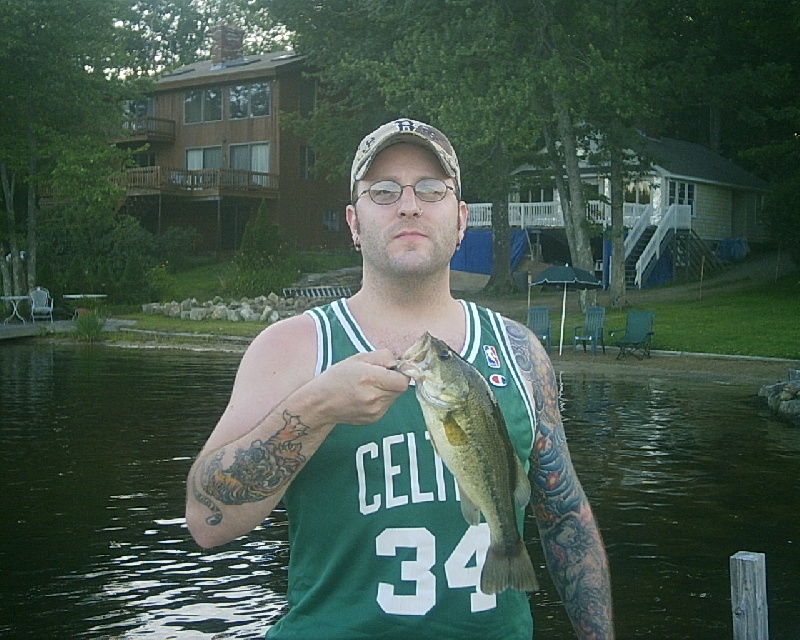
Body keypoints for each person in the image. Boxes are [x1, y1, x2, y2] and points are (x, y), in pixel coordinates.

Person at [185, 117, 614, 639]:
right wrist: (315, 409)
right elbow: (207, 520)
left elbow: (566, 517)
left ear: (460, 220)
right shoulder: (290, 348)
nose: (408, 205)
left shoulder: (521, 353)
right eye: (383, 191)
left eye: (431, 190)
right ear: (353, 221)